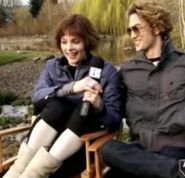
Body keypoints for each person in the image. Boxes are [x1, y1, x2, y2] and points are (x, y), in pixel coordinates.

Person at [101, 1, 185, 178]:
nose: (132, 35)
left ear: (157, 28)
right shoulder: (128, 70)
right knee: (108, 149)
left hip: (174, 151)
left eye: (137, 28)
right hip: (139, 151)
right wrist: (95, 101)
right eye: (129, 30)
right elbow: (113, 108)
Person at [3, 14, 122, 178]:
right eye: (64, 42)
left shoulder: (107, 72)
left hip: (80, 147)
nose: (69, 48)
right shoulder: (52, 67)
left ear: (87, 42)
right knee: (57, 104)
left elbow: (115, 119)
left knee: (83, 110)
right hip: (42, 145)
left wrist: (99, 105)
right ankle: (17, 172)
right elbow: (37, 98)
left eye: (75, 41)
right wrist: (72, 88)